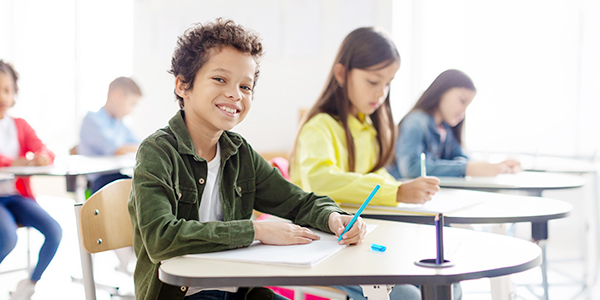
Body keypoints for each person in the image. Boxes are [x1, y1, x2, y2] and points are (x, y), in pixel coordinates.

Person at [128, 18, 367, 300]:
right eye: (220, 79)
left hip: (241, 291)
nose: (235, 94)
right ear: (183, 85)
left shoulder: (240, 152)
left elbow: (297, 202)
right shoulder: (157, 152)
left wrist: (333, 217)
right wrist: (256, 230)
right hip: (184, 294)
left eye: (246, 86)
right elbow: (161, 239)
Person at [289, 27, 444, 300]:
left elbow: (374, 173)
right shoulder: (319, 126)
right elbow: (323, 180)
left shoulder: (367, 127)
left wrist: (401, 188)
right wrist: (395, 192)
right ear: (341, 74)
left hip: (358, 240)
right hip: (321, 242)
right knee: (407, 295)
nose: (381, 92)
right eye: (373, 81)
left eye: (388, 83)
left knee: (440, 281)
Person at [0, 60, 63, 300]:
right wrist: (14, 162)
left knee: (54, 231)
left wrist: (41, 157)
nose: (2, 96)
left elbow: (45, 151)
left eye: (6, 89)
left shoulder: (20, 125)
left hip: (16, 197)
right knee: (7, 238)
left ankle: (29, 284)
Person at [387, 69, 521, 179]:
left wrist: (495, 167)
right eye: (462, 101)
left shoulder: (445, 129)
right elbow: (411, 169)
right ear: (442, 92)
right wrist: (466, 169)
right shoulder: (416, 122)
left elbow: (461, 157)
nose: (463, 111)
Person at [78, 76, 142, 194]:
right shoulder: (92, 120)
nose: (131, 111)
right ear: (116, 95)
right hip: (100, 184)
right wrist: (141, 147)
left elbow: (140, 143)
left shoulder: (119, 124)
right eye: (131, 104)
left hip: (116, 177)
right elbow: (117, 149)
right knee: (138, 189)